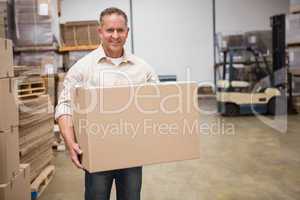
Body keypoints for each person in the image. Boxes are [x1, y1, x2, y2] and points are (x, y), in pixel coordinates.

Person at [55, 7, 158, 200]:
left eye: (120, 30)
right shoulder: (82, 69)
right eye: (110, 30)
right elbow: (65, 107)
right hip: (96, 152)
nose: (115, 36)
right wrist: (70, 143)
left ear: (127, 31)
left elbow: (156, 108)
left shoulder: (143, 69)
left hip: (132, 153)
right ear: (100, 31)